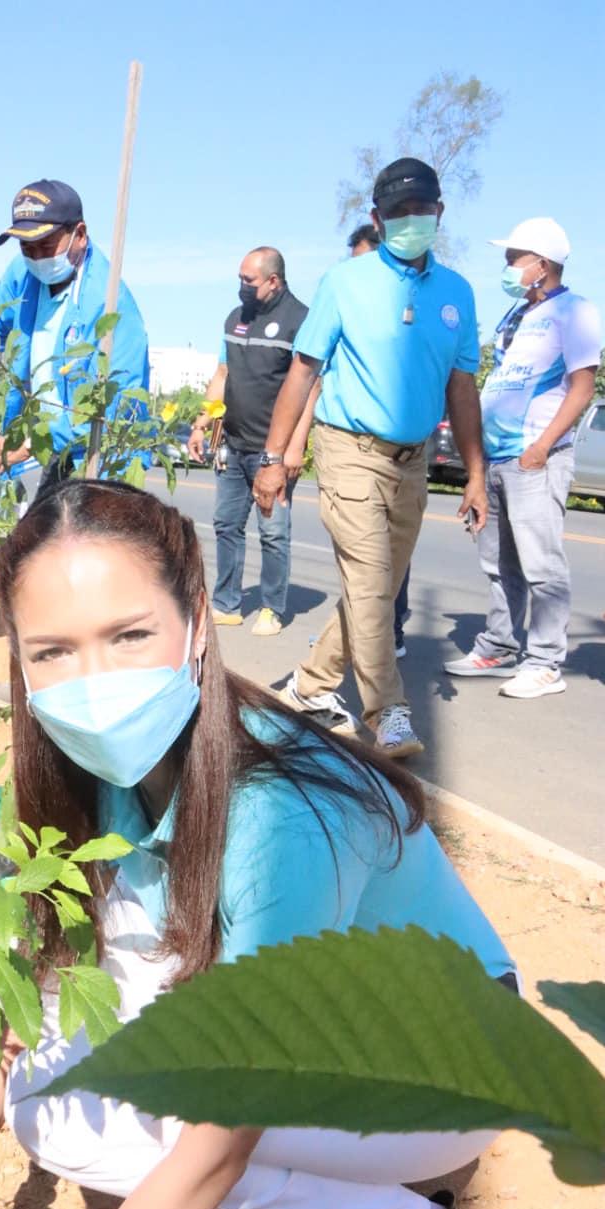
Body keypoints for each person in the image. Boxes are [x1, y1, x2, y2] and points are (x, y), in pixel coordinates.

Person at [0, 479, 515, 1209]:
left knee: (130, 1116)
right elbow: (25, 972)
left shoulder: (281, 815)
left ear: (196, 623)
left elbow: (223, 1132)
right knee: (54, 1089)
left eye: (128, 635)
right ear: (15, 659)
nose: (92, 681)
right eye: (52, 652)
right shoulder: (78, 778)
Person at [254, 159, 488, 760]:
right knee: (371, 583)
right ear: (378, 220)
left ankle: (308, 686)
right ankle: (388, 711)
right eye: (398, 212)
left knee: (373, 591)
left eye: (422, 210)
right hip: (349, 452)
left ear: (440, 213)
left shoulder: (457, 293)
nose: (412, 220)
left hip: (412, 464)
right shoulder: (345, 282)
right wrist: (274, 457)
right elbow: (303, 371)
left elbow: (463, 387)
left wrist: (476, 474)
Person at [444, 218, 603, 699]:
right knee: (499, 564)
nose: (508, 266)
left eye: (515, 258)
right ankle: (498, 648)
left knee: (541, 566)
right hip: (495, 459)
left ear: (543, 264)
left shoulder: (574, 311)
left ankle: (545, 663)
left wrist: (540, 448)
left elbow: (582, 386)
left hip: (535, 457)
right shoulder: (517, 315)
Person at [0, 180, 149, 492]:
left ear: (79, 235)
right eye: (26, 248)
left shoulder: (110, 302)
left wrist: (32, 442)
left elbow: (118, 407)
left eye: (46, 246)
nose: (36, 258)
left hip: (97, 450)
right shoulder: (22, 273)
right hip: (48, 439)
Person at [188, 248, 312, 637]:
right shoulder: (235, 318)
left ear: (273, 281)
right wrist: (202, 422)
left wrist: (295, 447)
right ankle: (227, 604)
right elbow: (222, 374)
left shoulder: (300, 320)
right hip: (234, 442)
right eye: (240, 278)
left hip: (272, 451)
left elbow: (310, 388)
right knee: (226, 524)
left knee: (273, 532)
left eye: (249, 280)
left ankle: (272, 607)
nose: (241, 286)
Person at [347, 225, 411, 655]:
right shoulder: (353, 307)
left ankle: (389, 634)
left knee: (388, 552)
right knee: (359, 554)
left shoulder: (405, 313)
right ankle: (353, 638)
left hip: (397, 451)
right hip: (352, 447)